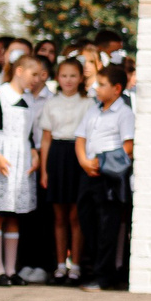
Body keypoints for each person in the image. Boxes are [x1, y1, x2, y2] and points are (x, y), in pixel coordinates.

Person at [0, 54, 46, 287]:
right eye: (33, 74)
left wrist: (33, 152)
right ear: (20, 70)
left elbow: (30, 135)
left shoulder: (30, 100)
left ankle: (12, 270)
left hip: (21, 158)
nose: (36, 80)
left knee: (14, 215)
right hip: (1, 156)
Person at [74, 62, 136, 290]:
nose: (96, 89)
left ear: (117, 89)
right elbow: (80, 137)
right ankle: (94, 268)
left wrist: (101, 161)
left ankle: (104, 276)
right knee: (86, 220)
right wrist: (83, 160)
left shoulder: (125, 113)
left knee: (107, 226)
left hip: (109, 175)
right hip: (88, 172)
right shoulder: (93, 109)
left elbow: (127, 147)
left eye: (102, 85)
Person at [37, 57, 93, 283]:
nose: (68, 80)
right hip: (57, 157)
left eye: (73, 75)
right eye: (64, 75)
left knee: (76, 215)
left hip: (78, 155)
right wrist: (44, 170)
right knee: (59, 215)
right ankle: (60, 265)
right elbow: (46, 139)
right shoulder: (51, 103)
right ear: (58, 78)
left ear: (81, 78)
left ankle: (76, 265)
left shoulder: (88, 103)